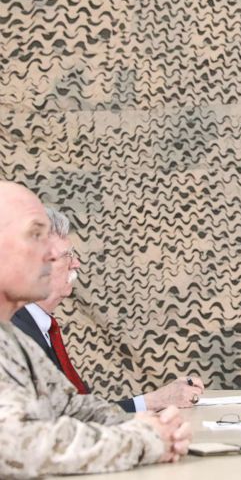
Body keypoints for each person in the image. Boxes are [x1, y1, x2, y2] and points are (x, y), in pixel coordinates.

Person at [0, 181, 191, 477]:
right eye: (35, 235)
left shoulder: (11, 337)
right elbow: (16, 446)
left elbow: (69, 406)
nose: (52, 255)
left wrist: (144, 426)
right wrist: (144, 440)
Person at [12, 207, 205, 412]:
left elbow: (78, 412)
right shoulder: (16, 334)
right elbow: (60, 424)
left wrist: (156, 400)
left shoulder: (35, 325)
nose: (76, 263)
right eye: (68, 255)